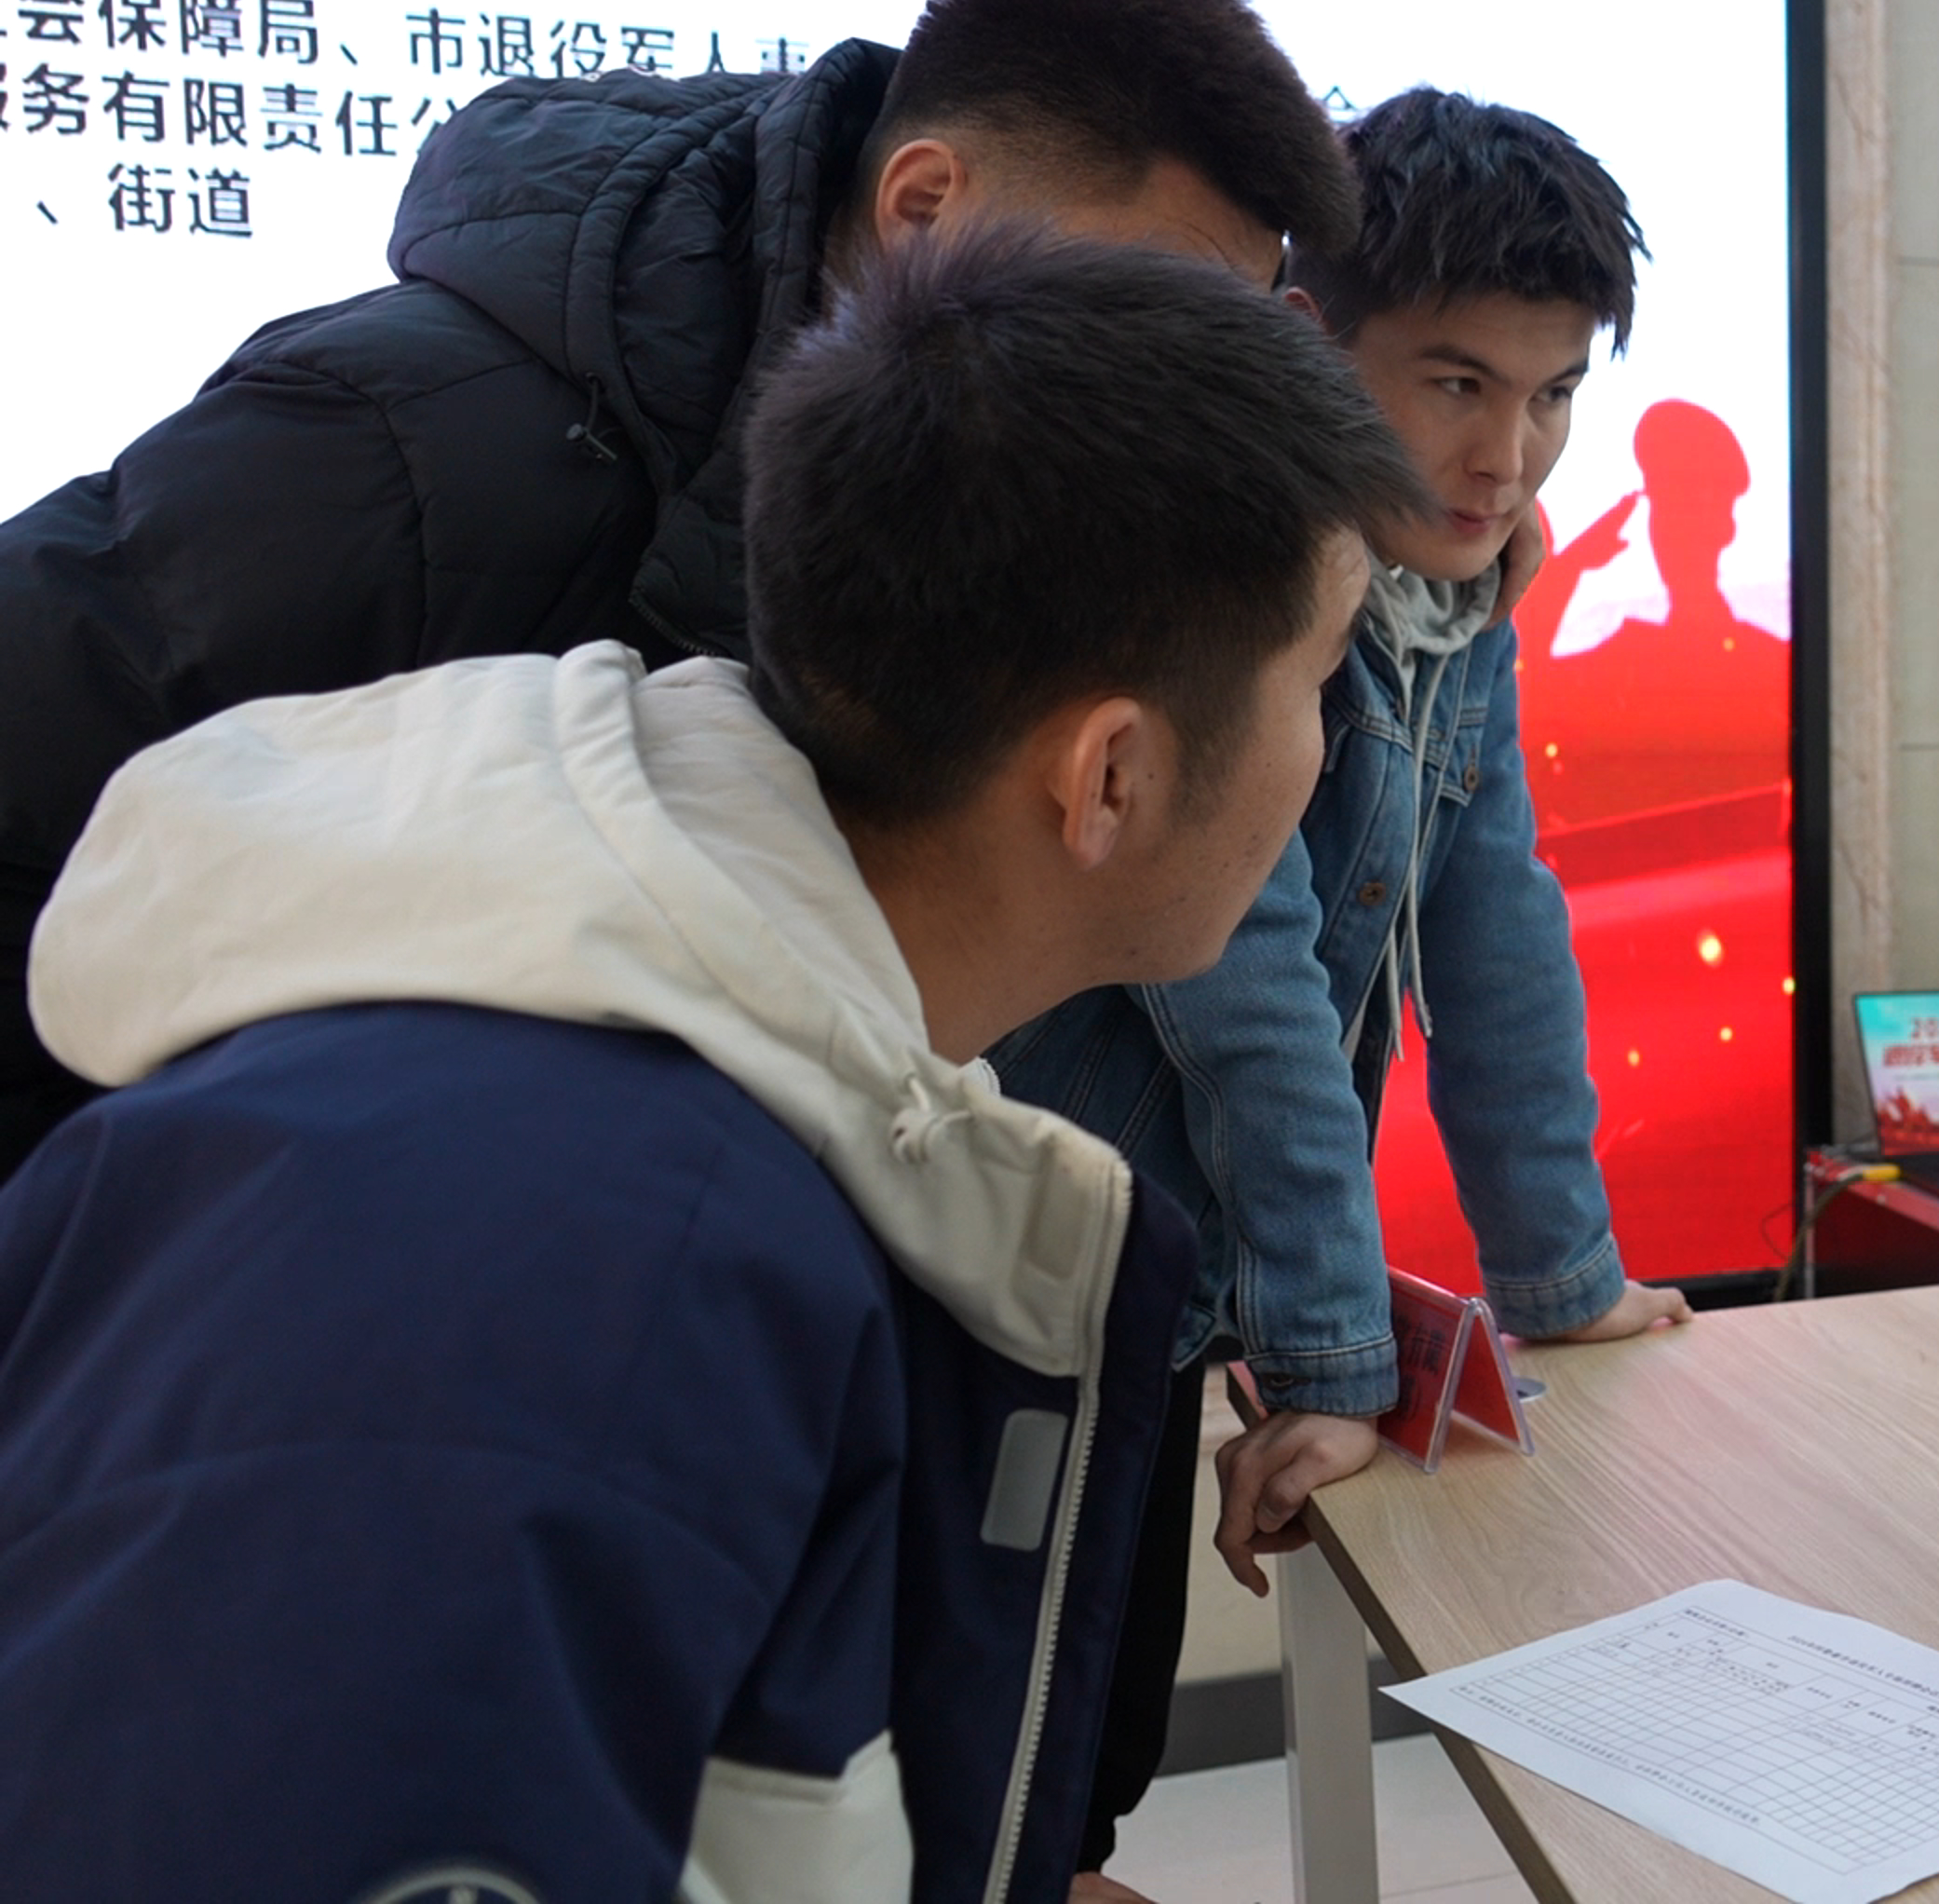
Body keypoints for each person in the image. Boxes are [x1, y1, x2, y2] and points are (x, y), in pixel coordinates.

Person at [0, 228, 1427, 1898]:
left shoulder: (728, 1105)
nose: (1331, 754)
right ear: (1107, 776)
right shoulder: (590, 1265)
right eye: (1320, 680)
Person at [0, 0, 1357, 1178]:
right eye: (1152, 301)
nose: (1198, 383)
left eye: (1238, 330)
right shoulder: (420, 436)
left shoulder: (1044, 504)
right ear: (923, 203)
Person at [983, 88, 1688, 1883]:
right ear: (1308, 341)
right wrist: (1328, 1357)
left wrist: (1565, 1281)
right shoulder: (1223, 576)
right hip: (1017, 1270)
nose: (1508, 455)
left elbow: (1500, 937)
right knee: (1003, 1769)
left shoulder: (1462, 601)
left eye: (1553, 395)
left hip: (1154, 1283)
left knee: (1093, 1749)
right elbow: (1251, 995)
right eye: (1455, 381)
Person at [1514, 397, 1786, 829]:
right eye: (1663, 504)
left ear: (1727, 526)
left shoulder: (1770, 665)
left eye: (1687, 506)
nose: (1670, 527)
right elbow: (1518, 692)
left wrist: (1570, 569)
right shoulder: (1625, 661)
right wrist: (1569, 569)